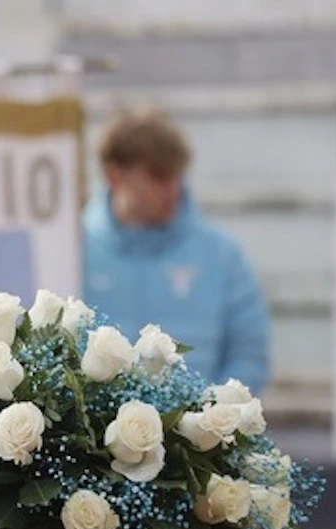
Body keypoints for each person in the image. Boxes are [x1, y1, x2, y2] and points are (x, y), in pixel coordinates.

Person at [83, 108, 270, 394]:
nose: (173, 189)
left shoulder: (222, 256)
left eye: (177, 176)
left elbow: (249, 357)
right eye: (159, 177)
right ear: (115, 176)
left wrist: (204, 422)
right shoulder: (72, 251)